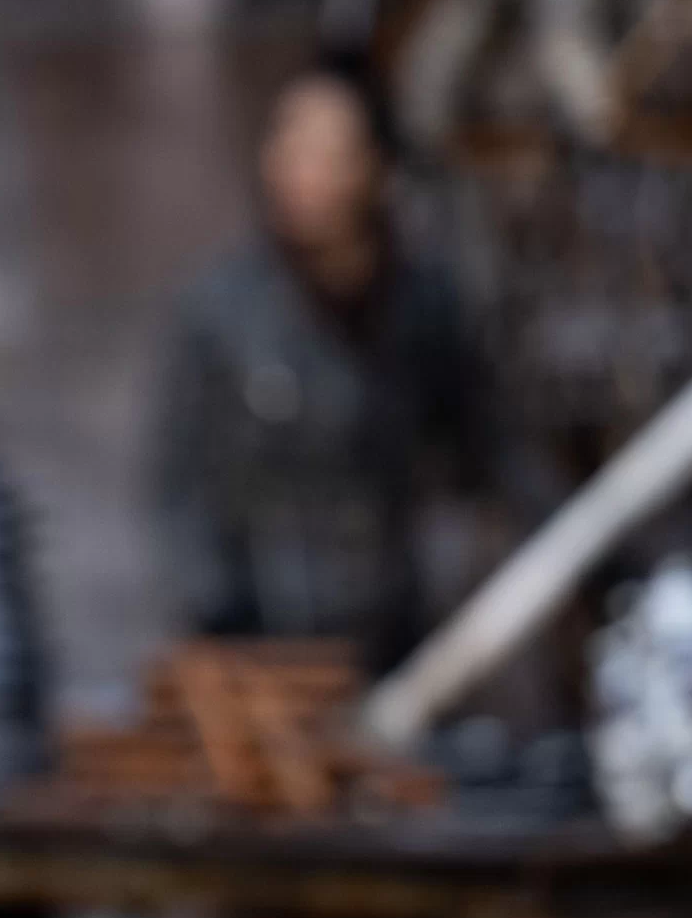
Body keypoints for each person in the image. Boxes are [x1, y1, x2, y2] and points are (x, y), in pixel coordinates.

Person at [153, 57, 497, 671]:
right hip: (262, 642)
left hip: (396, 641)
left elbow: (490, 452)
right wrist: (219, 614)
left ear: (377, 169)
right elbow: (178, 486)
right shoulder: (221, 311)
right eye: (288, 146)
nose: (300, 172)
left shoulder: (423, 305)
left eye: (326, 154)